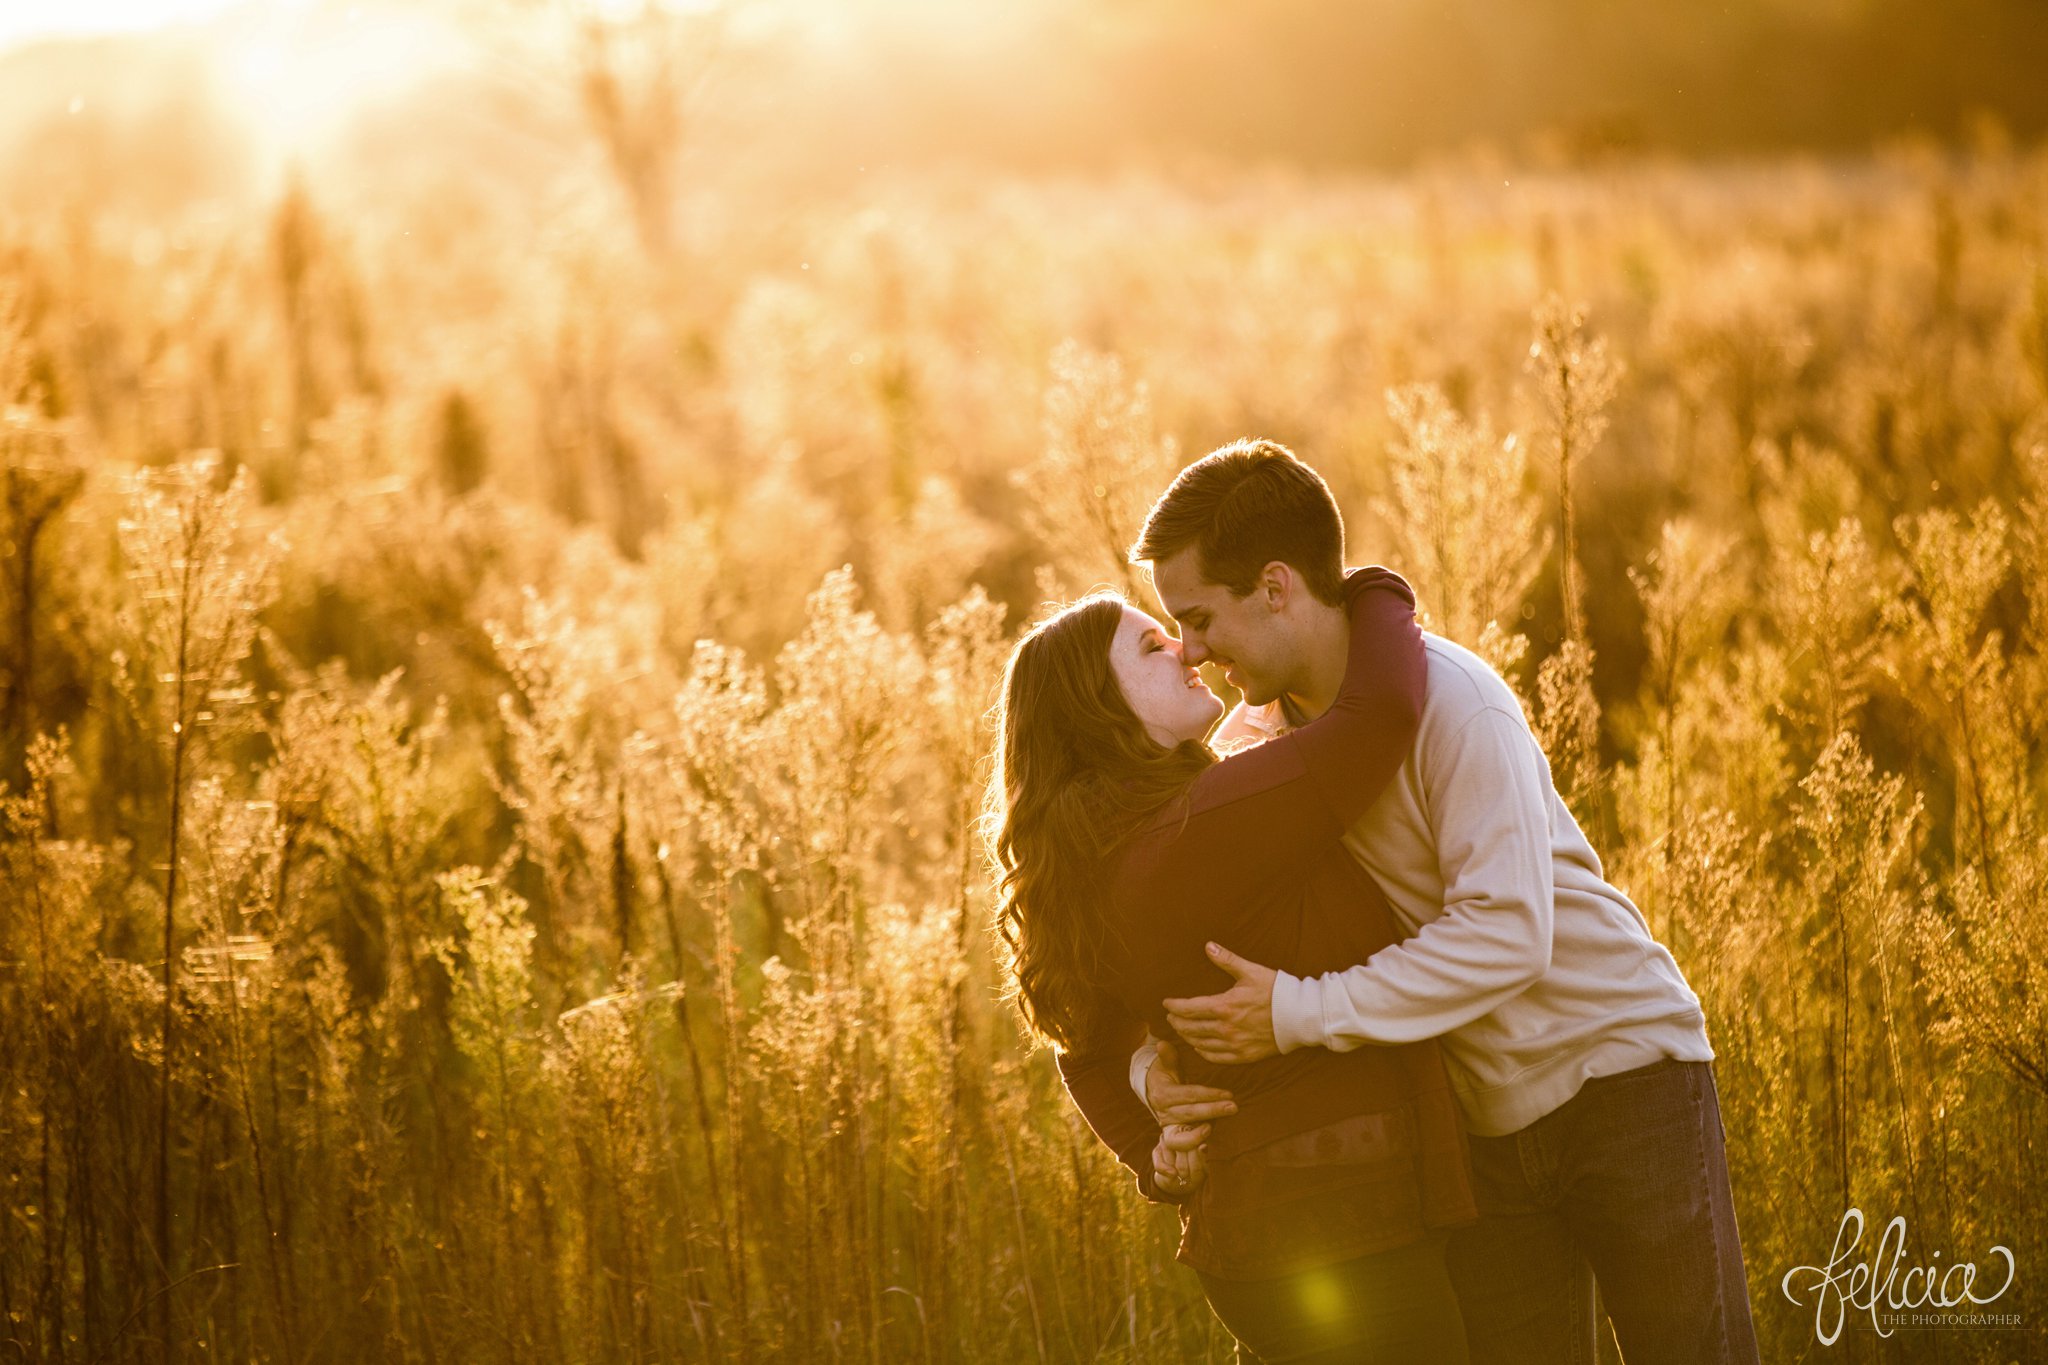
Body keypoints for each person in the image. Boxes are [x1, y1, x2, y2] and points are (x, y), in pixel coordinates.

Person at [1128, 439, 1762, 1365]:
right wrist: (1155, 1074)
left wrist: (1297, 1014)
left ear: (1275, 586)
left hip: (1621, 1079)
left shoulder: (1457, 702)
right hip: (1477, 1133)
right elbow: (1193, 923)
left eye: (1196, 617)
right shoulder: (1254, 747)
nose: (1188, 650)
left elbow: (1510, 934)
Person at [985, 549, 1479, 1363]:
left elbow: (1083, 1047)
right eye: (1150, 648)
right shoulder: (1203, 827)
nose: (1184, 648)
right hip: (1343, 1232)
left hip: (1259, 1240)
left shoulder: (1106, 854)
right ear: (1099, 707)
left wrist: (1153, 1137)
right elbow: (1384, 710)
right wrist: (1366, 588)